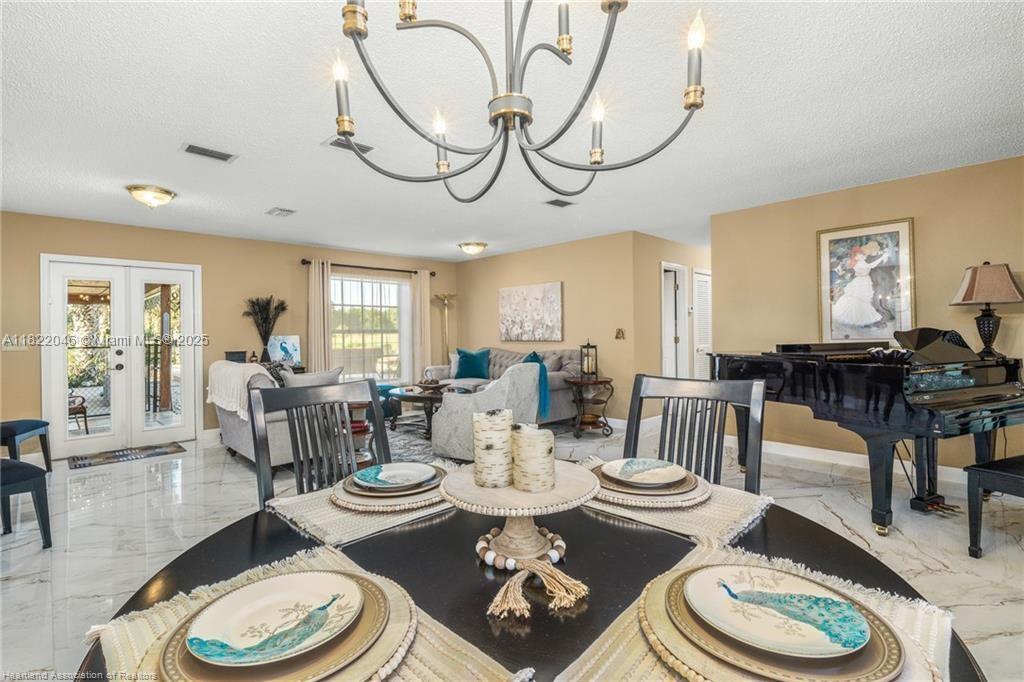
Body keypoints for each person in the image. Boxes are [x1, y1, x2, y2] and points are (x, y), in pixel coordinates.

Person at [832, 243, 888, 328]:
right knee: (860, 300)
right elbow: (871, 265)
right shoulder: (859, 263)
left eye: (862, 253)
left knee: (862, 301)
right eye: (860, 254)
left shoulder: (860, 261)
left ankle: (863, 319)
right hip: (861, 282)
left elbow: (870, 264)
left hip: (864, 281)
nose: (863, 255)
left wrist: (881, 256)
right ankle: (863, 319)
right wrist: (882, 257)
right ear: (856, 256)